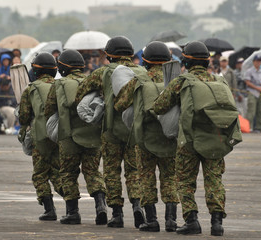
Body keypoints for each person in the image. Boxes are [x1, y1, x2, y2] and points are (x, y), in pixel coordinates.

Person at [153, 41, 239, 236]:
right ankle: (217, 224)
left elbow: (159, 106)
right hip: (216, 140)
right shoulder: (219, 81)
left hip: (189, 141)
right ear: (207, 62)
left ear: (186, 61)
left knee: (184, 181)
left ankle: (192, 221)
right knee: (214, 180)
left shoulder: (182, 82)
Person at [76, 36, 145, 229]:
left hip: (111, 131)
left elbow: (80, 93)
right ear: (131, 54)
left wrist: (100, 95)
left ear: (109, 55)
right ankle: (138, 207)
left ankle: (117, 214)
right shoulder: (141, 72)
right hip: (134, 131)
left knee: (112, 172)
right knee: (133, 172)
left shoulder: (103, 73)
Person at [114, 41, 179, 232]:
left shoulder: (139, 81)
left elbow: (120, 104)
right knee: (170, 178)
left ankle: (151, 220)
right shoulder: (177, 81)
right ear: (168, 61)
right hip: (170, 138)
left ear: (145, 61)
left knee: (147, 178)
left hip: (145, 139)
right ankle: (171, 220)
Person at [44, 49, 107, 225]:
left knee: (68, 173)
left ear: (63, 67)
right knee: (93, 172)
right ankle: (101, 205)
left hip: (69, 136)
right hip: (93, 136)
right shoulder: (90, 80)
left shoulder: (59, 84)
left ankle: (73, 212)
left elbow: (49, 109)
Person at [18, 52, 63, 221]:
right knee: (58, 172)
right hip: (59, 136)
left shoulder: (31, 89)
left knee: (40, 174)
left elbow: (23, 117)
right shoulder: (61, 85)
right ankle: (71, 204)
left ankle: (49, 209)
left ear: (36, 70)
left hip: (41, 138)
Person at [244, 55, 261, 132]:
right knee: (251, 111)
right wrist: (258, 88)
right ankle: (248, 127)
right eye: (257, 61)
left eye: (259, 61)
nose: (258, 63)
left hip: (260, 93)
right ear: (254, 62)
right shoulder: (249, 71)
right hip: (252, 92)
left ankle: (258, 127)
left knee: (260, 111)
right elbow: (247, 82)